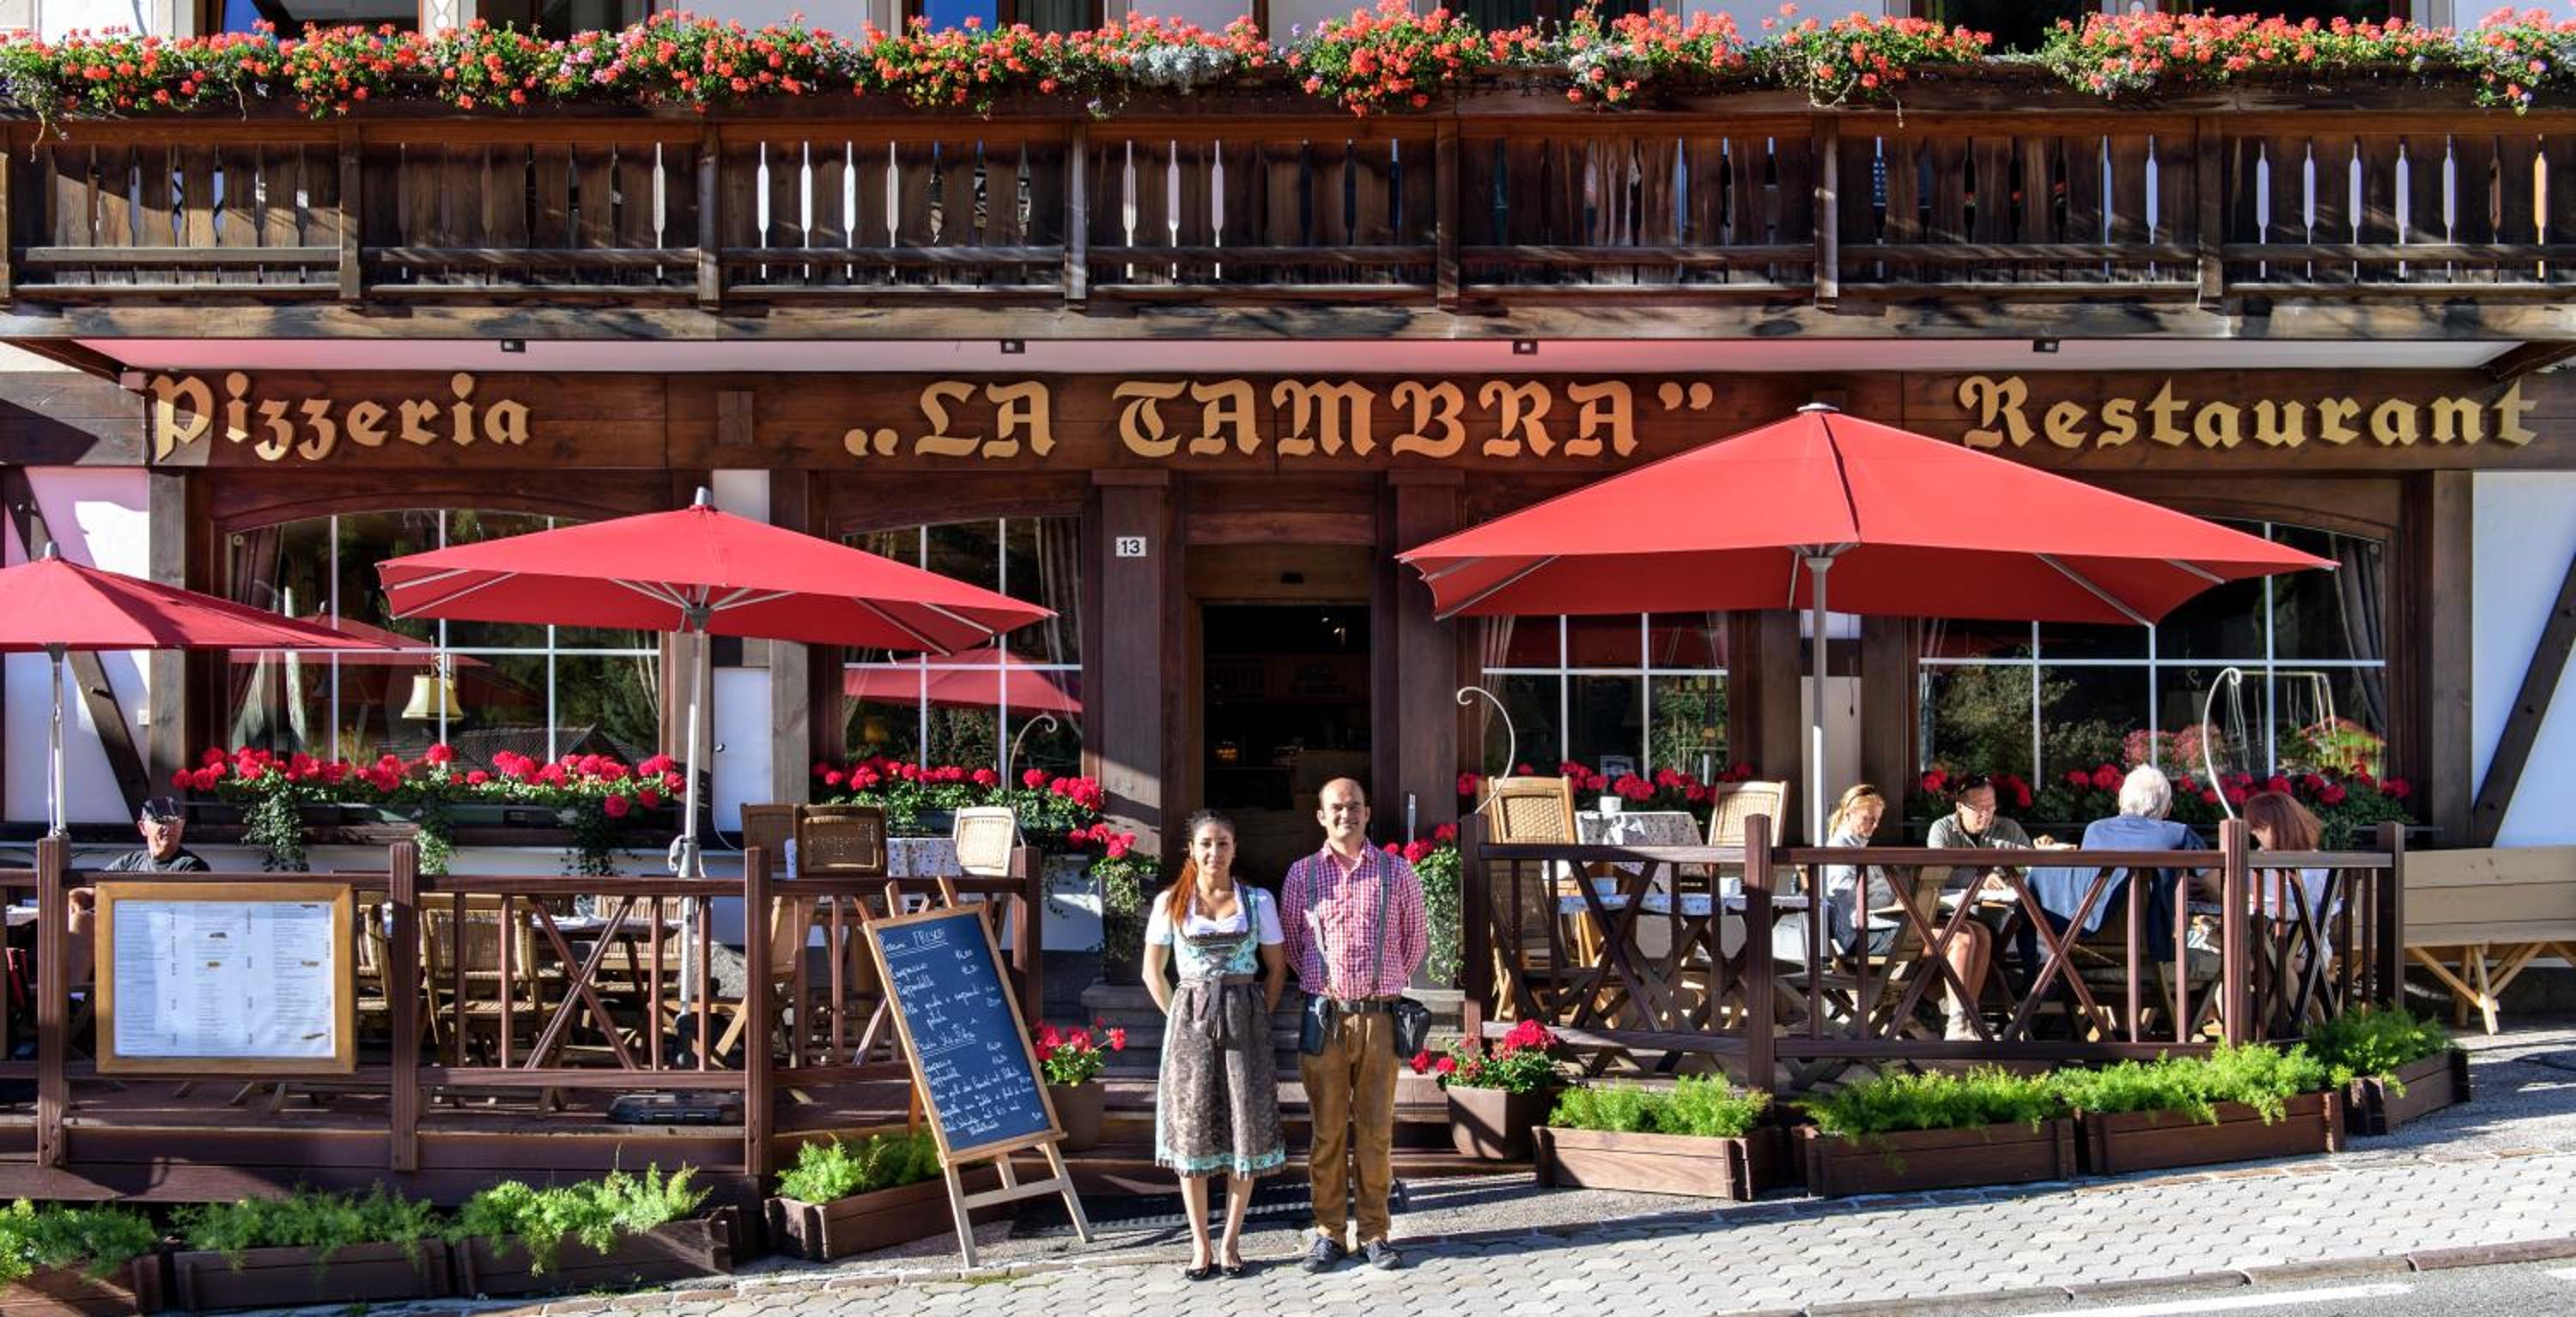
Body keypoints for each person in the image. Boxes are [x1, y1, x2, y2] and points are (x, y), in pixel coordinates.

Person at [1279, 778, 1425, 1274]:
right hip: (1325, 1016)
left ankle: (1375, 1232)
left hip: (1381, 1017)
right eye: (1337, 808)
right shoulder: (1301, 874)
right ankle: (1328, 1233)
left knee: (1376, 1132)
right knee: (1327, 1132)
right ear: (1321, 816)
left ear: (1368, 812)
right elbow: (1294, 947)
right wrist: (1331, 986)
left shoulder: (1397, 871)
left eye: (1355, 806)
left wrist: (1380, 985)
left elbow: (1414, 942)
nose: (1347, 815)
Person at [1140, 809, 1287, 1282]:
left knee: (1244, 1123)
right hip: (1191, 1023)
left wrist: (1257, 1013)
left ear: (1234, 849)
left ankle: (1231, 1242)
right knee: (1193, 1128)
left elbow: (1277, 968)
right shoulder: (1170, 902)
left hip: (1245, 1021)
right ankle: (1200, 1244)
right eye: (1206, 843)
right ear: (1191, 849)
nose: (1214, 852)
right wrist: (1180, 1016)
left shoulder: (1258, 901)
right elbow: (1152, 972)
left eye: (1223, 843)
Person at [1820, 784, 1992, 1041]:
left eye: (1877, 820)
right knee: (1960, 939)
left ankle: (1969, 1018)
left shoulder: (1861, 847)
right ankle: (1957, 1025)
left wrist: (1903, 904)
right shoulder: (1839, 851)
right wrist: (1898, 908)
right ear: (1848, 814)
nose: (1874, 825)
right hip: (1865, 933)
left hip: (1886, 923)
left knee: (1979, 932)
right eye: (1868, 818)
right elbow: (1849, 907)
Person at [2024, 765, 2206, 985]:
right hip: (2154, 958)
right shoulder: (2179, 835)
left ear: (2120, 801)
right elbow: (2219, 889)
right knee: (2224, 957)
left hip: (2090, 957)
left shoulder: (2095, 831)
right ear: (2168, 809)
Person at [68, 797, 210, 985]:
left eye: (175, 821)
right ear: (143, 827)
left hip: (159, 942)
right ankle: (71, 995)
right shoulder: (130, 862)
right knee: (75, 919)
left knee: (84, 921)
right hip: (121, 936)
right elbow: (91, 890)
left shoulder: (191, 866)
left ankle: (73, 996)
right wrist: (76, 900)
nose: (170, 827)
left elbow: (183, 916)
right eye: (161, 821)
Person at [2243, 790, 2334, 958]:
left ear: (2279, 826)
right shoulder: (2258, 859)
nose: (2253, 832)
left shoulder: (2318, 866)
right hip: (2265, 943)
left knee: (2256, 961)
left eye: (2259, 826)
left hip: (2307, 948)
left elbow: (2315, 914)